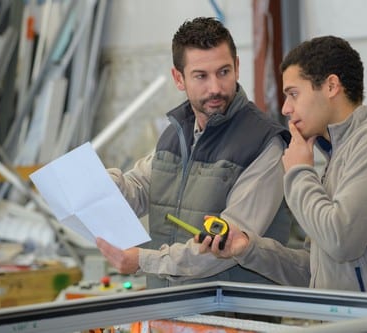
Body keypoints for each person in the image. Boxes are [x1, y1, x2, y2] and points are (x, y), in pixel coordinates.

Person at [200, 35, 367, 297]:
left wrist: (299, 171)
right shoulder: (336, 157)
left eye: (293, 94)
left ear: (331, 86)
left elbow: (341, 241)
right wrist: (247, 248)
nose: (287, 108)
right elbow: (314, 273)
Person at [95, 17, 292, 289]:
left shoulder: (263, 143)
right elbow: (138, 190)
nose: (215, 88)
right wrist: (102, 183)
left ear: (237, 67)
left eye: (223, 72)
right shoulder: (176, 134)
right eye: (201, 76)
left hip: (230, 317)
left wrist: (145, 261)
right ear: (179, 78)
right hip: (167, 308)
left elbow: (225, 246)